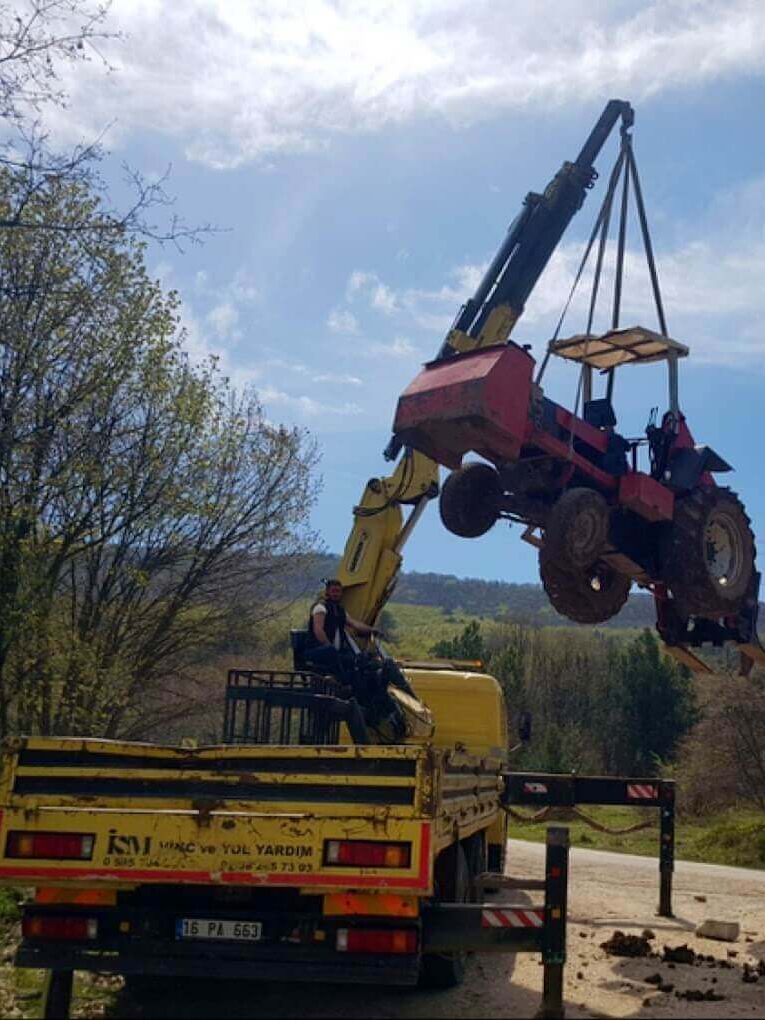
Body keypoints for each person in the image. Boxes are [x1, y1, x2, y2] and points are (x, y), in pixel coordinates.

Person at [304, 579, 382, 681]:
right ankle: (341, 681)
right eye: (333, 591)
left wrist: (372, 630)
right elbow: (318, 631)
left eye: (338, 591)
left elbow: (354, 624)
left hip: (334, 652)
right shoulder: (320, 608)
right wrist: (329, 646)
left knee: (357, 659)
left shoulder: (340, 610)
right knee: (331, 652)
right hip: (315, 650)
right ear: (327, 592)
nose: (336, 594)